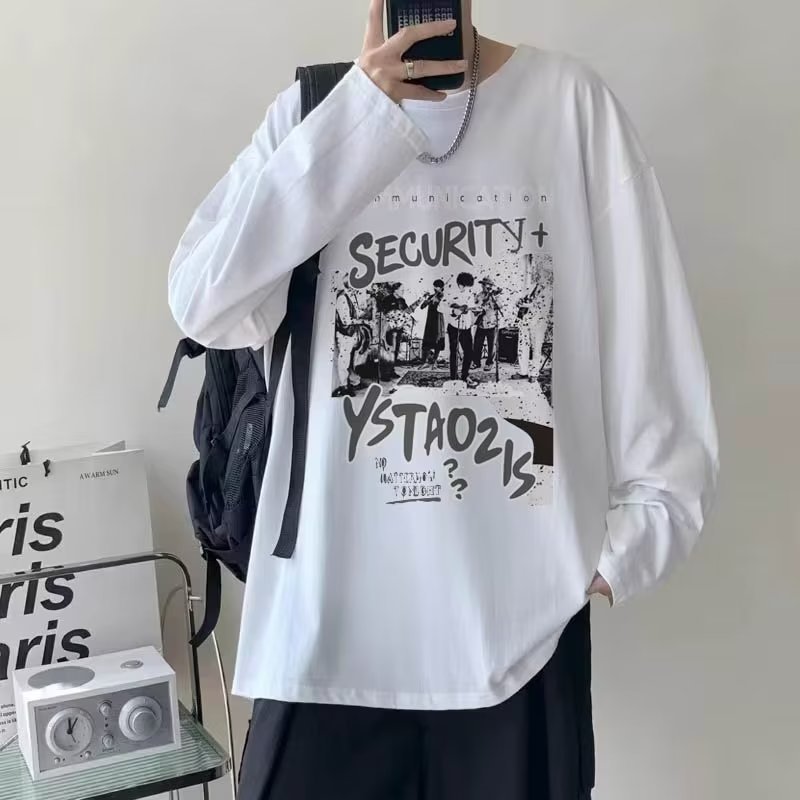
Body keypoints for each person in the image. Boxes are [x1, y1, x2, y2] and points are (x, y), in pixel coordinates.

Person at [167, 1, 719, 797]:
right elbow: (203, 305)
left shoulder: (569, 106)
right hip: (324, 639)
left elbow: (648, 335)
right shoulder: (314, 112)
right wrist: (359, 115)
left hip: (518, 639)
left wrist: (629, 545)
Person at [333, 274, 368, 397]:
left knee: (348, 361)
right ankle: (344, 387)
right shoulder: (342, 298)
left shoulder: (350, 297)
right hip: (344, 334)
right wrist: (363, 321)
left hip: (350, 334)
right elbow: (346, 321)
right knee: (344, 362)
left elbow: (355, 314)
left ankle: (351, 383)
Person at [443, 271, 479, 386]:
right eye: (467, 287)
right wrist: (453, 310)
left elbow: (471, 307)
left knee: (469, 352)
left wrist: (476, 310)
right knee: (454, 353)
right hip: (454, 327)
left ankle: (465, 376)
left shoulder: (470, 294)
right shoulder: (450, 293)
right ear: (460, 285)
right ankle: (453, 377)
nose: (469, 289)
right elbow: (440, 307)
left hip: (466, 327)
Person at [473, 275, 502, 372]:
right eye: (484, 285)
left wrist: (494, 298)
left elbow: (500, 306)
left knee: (491, 345)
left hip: (492, 323)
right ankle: (476, 362)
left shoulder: (495, 295)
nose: (485, 286)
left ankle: (489, 363)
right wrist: (478, 309)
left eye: (487, 285)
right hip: (481, 322)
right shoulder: (479, 295)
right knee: (477, 344)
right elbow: (475, 307)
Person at [420, 278, 446, 365]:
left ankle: (435, 360)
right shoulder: (431, 296)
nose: (435, 288)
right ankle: (427, 360)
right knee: (428, 338)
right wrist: (426, 302)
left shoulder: (443, 297)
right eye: (434, 286)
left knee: (438, 339)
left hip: (438, 319)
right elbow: (422, 307)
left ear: (441, 288)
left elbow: (444, 306)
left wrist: (438, 301)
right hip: (430, 320)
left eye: (437, 287)